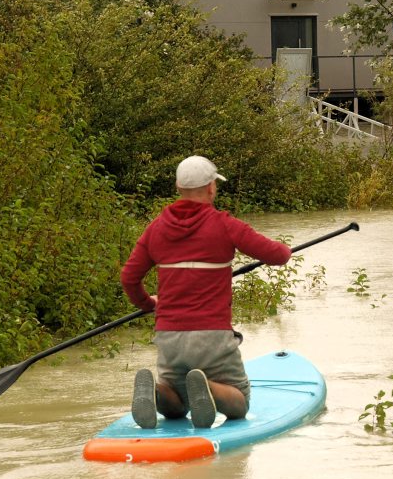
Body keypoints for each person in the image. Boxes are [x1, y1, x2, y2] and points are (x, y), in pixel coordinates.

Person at [120, 155, 291, 429]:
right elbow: (278, 255)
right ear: (211, 187)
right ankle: (210, 388)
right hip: (212, 335)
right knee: (239, 404)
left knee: (176, 405)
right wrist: (284, 249)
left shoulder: (156, 229)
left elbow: (129, 277)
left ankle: (155, 391)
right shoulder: (225, 225)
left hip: (169, 336)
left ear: (178, 187)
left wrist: (147, 303)